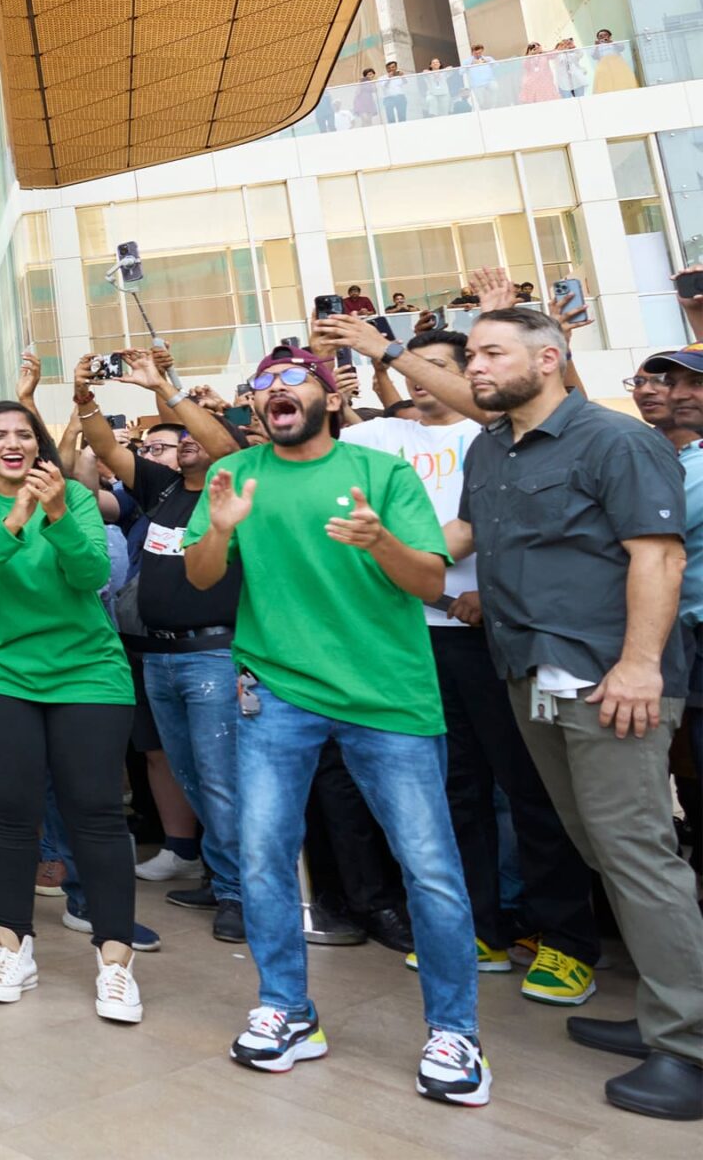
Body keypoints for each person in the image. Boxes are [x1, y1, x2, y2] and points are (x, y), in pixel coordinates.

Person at [182, 345, 486, 1107]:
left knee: (429, 867)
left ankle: (456, 1034)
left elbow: (428, 577)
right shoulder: (237, 476)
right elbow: (200, 576)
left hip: (388, 696)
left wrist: (379, 539)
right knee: (262, 855)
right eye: (263, 385)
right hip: (277, 690)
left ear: (326, 395)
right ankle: (287, 1009)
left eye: (292, 381)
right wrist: (220, 529)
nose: (275, 393)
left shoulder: (379, 474)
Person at [458, 308, 703, 1120]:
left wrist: (638, 666)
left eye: (493, 352)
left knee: (638, 855)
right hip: (532, 677)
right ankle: (668, 1012)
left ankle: (690, 1045)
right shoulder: (489, 448)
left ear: (550, 358)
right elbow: (461, 537)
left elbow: (658, 556)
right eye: (471, 355)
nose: (477, 367)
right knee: (603, 849)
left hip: (614, 683)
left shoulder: (617, 440)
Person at [318, 315, 602, 1002]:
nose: (455, 374)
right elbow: (450, 533)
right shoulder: (383, 437)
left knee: (530, 792)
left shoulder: (495, 433)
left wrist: (387, 351)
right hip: (414, 641)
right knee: (456, 791)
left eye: (456, 362)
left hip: (495, 637)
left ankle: (563, 940)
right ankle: (481, 930)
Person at [0, 401, 142, 1019]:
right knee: (7, 812)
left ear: (40, 446)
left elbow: (89, 577)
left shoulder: (74, 500)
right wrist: (15, 518)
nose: (11, 443)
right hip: (0, 672)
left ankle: (114, 964)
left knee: (97, 813)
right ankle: (13, 947)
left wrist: (53, 513)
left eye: (23, 435)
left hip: (87, 671)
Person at [74, 350, 246, 943]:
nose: (182, 442)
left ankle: (240, 893)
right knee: (191, 774)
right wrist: (84, 400)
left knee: (220, 777)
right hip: (158, 656)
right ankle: (221, 873)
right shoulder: (166, 490)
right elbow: (107, 448)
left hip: (213, 655)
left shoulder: (233, 483)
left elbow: (223, 446)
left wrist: (166, 388)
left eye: (192, 432)